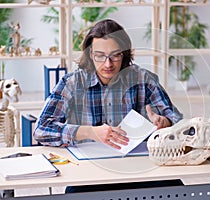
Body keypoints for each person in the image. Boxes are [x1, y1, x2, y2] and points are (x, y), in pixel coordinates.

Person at [34, 19, 183, 193]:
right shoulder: (72, 82)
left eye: (115, 55)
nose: (108, 64)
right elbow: (41, 129)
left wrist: (166, 123)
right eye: (99, 55)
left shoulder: (143, 79)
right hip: (90, 173)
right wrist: (90, 132)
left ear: (124, 54)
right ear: (90, 54)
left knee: (175, 190)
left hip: (140, 171)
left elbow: (179, 121)